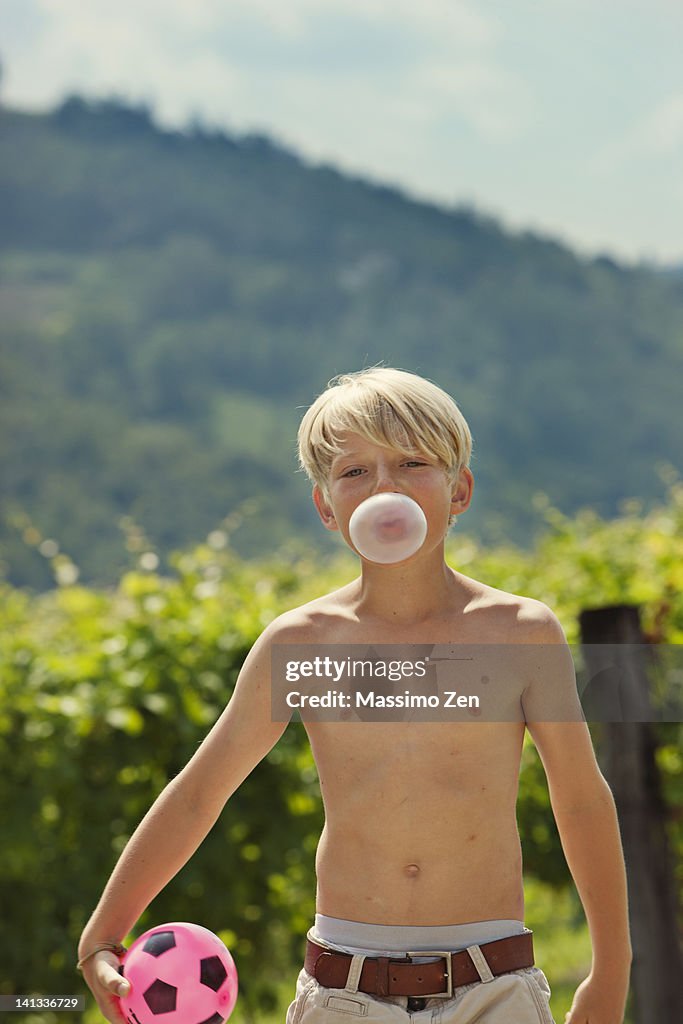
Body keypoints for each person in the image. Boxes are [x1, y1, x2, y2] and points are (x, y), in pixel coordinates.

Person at [78, 367, 632, 1024]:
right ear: (325, 508)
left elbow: (578, 798)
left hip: (495, 986)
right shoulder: (299, 643)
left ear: (459, 490)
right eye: (353, 472)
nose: (384, 488)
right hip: (343, 992)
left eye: (411, 462)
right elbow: (201, 792)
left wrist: (610, 968)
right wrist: (104, 931)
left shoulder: (520, 634)